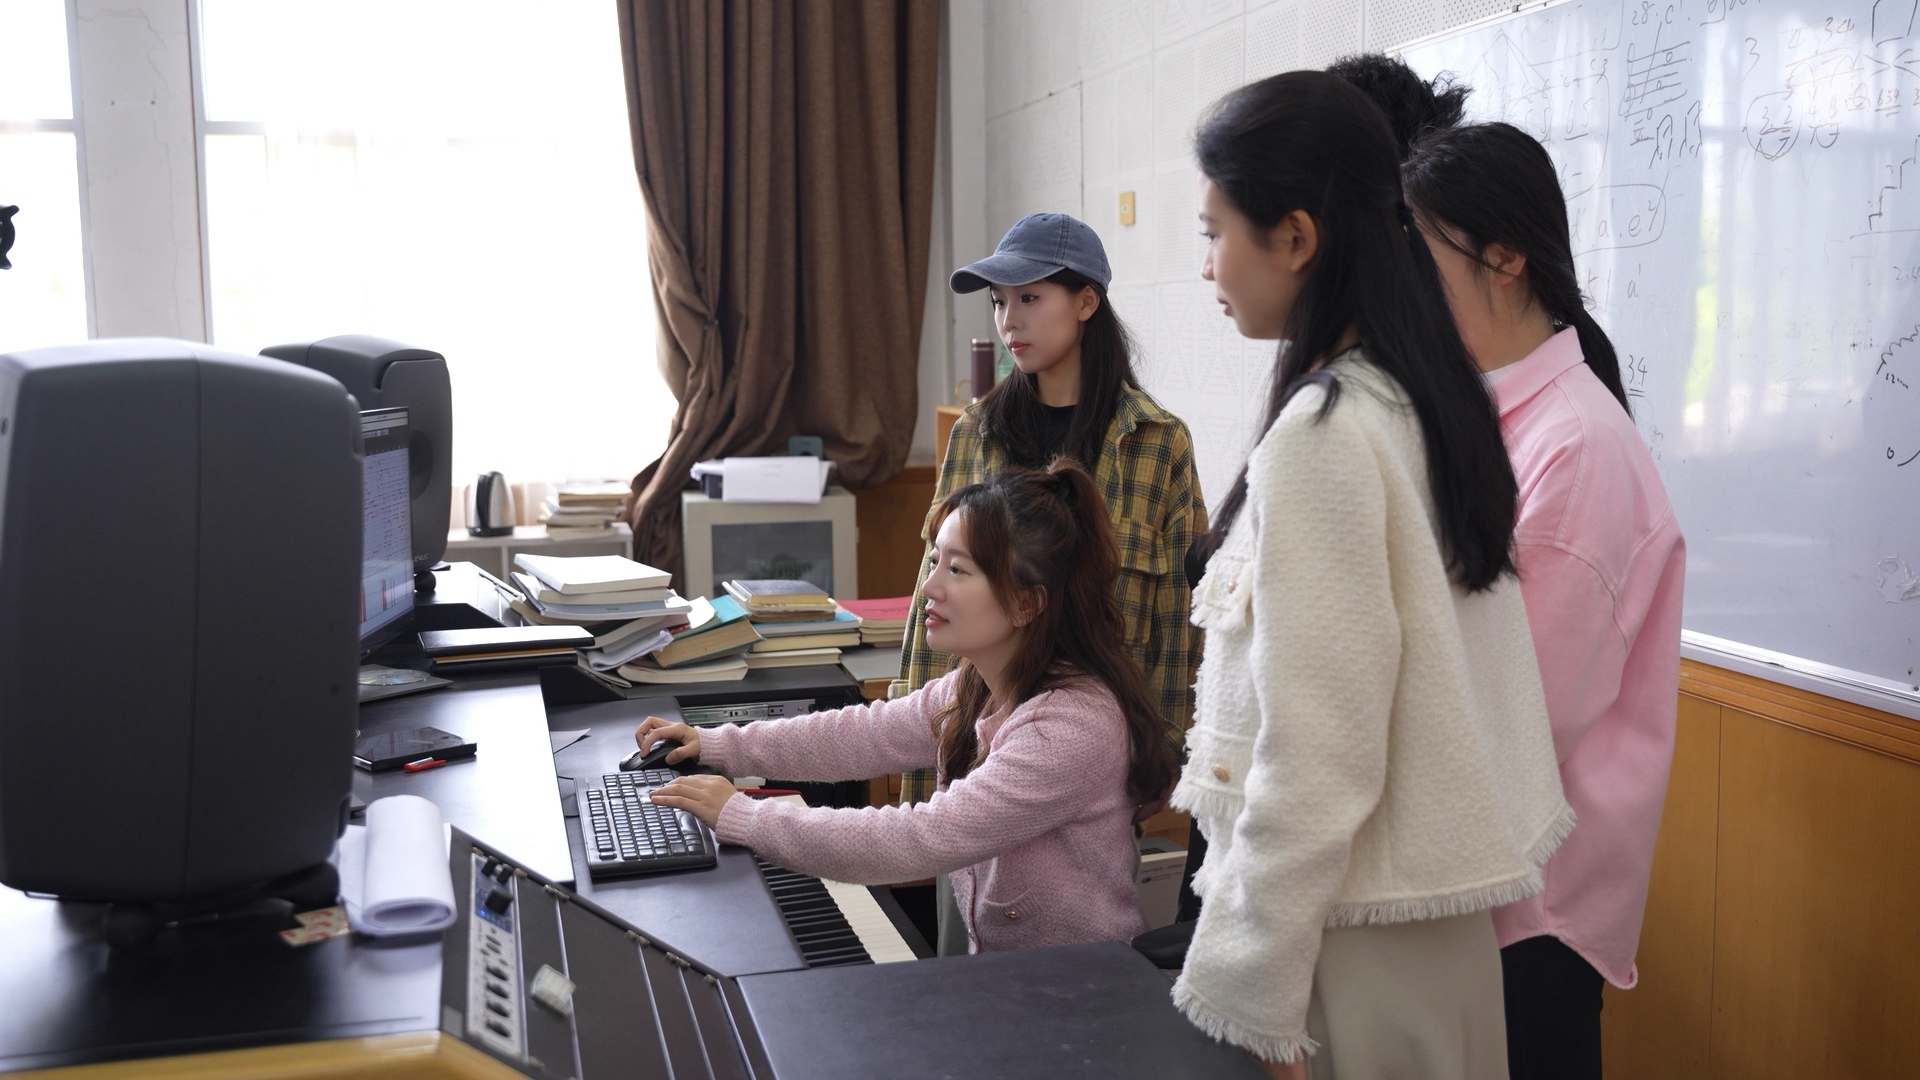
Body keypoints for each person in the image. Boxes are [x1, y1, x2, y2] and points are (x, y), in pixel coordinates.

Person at [1173, 70, 1571, 1080]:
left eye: (1216, 231)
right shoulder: (1419, 396)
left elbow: (1318, 756)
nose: (1207, 264)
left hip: (1349, 953)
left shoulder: (1327, 433)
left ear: (1296, 237)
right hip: (1421, 938)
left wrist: (1254, 986)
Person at [1400, 120, 1686, 1080]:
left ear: (1504, 257)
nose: (1404, 289)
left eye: (1422, 254)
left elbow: (1517, 720)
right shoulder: (1489, 414)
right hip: (1479, 891)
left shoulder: (1576, 447)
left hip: (1530, 914)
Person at [639, 461, 1176, 954]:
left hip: (1081, 993)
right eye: (935, 560)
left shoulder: (1071, 727)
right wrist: (719, 744)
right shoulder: (979, 685)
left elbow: (920, 837)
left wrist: (744, 816)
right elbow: (865, 733)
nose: (929, 587)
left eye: (958, 570)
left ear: (1026, 602)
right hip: (1008, 980)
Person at [897, 212, 1204, 954]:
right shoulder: (976, 431)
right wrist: (924, 761)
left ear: (1087, 301)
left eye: (1030, 298)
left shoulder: (1156, 443)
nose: (1010, 319)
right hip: (977, 758)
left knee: (1078, 975)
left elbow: (1178, 619)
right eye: (999, 302)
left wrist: (1157, 760)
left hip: (1088, 774)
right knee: (965, 979)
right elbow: (929, 597)